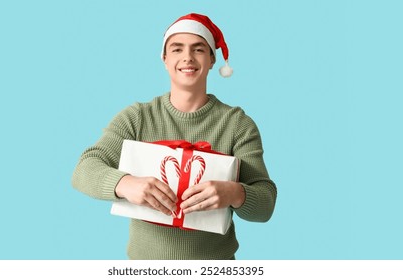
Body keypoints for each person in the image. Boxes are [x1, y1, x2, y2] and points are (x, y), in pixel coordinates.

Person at [72, 13, 276, 260]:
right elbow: (84, 169)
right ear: (165, 58)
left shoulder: (237, 125)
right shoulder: (137, 117)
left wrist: (235, 193)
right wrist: (124, 184)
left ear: (212, 59)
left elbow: (265, 205)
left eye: (198, 49)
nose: (187, 57)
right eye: (177, 49)